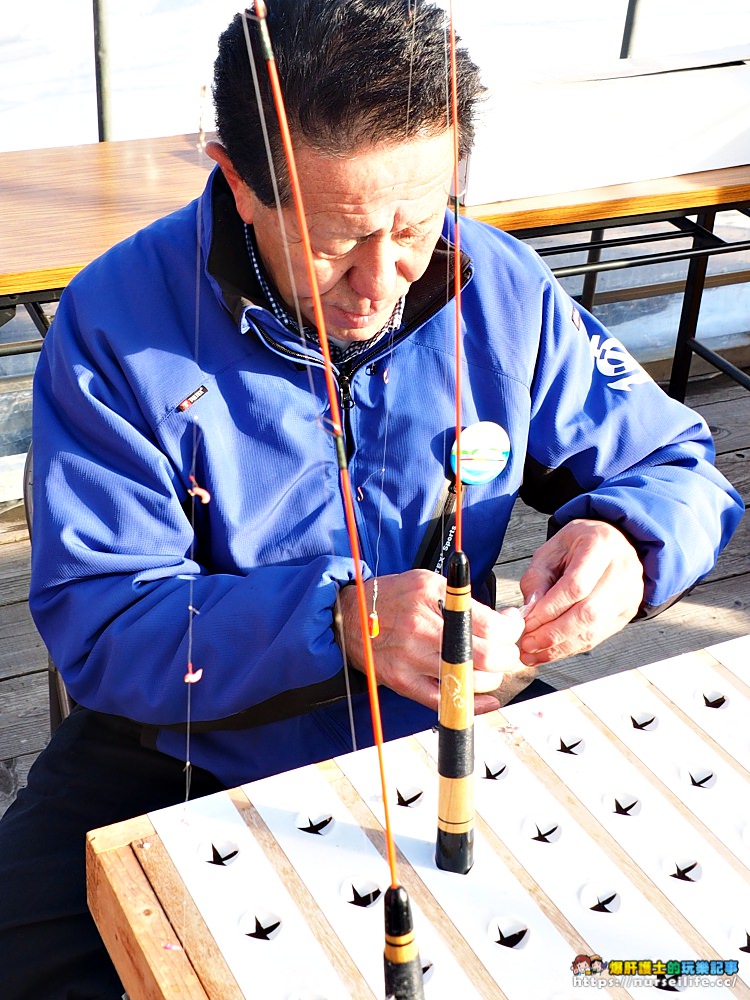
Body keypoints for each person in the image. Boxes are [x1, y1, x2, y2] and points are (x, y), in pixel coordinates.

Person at [0, 1, 743, 997]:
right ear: (235, 178)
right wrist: (339, 618)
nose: (379, 283)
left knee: (666, 949)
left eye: (415, 226)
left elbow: (677, 466)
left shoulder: (500, 284)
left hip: (445, 723)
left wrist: (627, 543)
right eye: (332, 241)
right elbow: (101, 624)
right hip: (184, 751)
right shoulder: (114, 326)